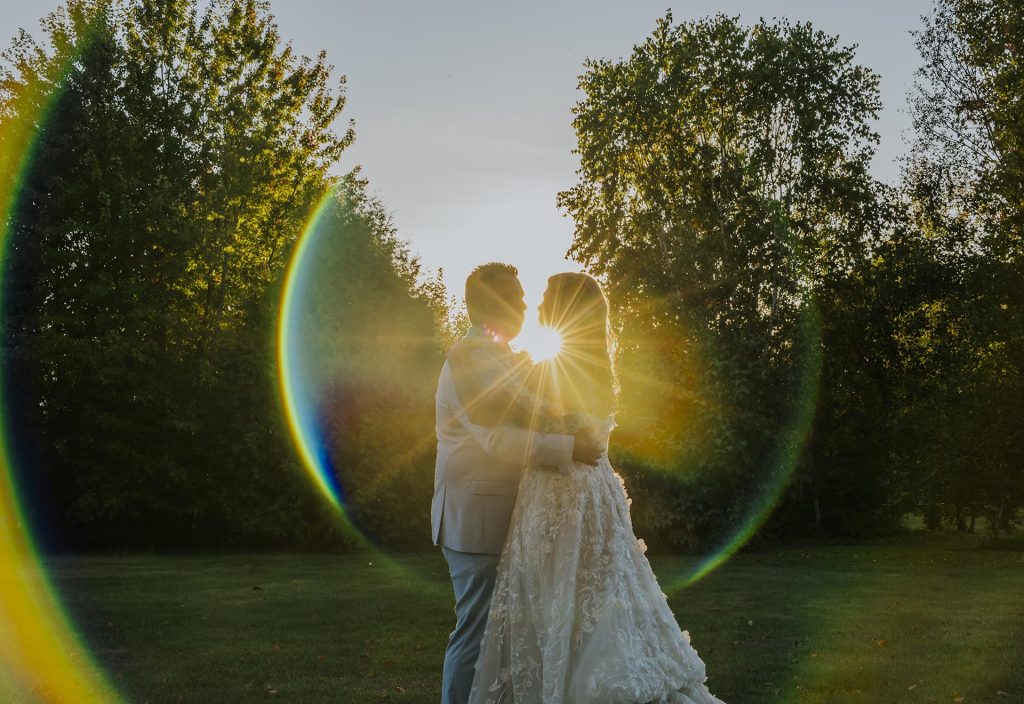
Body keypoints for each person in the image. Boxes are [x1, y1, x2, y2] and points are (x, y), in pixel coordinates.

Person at [463, 272, 727, 704]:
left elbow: (516, 414)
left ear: (567, 308)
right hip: (591, 490)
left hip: (562, 492)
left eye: (548, 297)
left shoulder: (551, 367)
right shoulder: (593, 363)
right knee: (597, 591)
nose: (541, 304)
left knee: (564, 593)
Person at [432, 262, 603, 704]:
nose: (524, 306)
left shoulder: (505, 358)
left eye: (524, 298)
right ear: (483, 305)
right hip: (477, 516)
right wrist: (568, 447)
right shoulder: (467, 360)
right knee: (477, 631)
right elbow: (494, 439)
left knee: (505, 636)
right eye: (515, 297)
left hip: (508, 512)